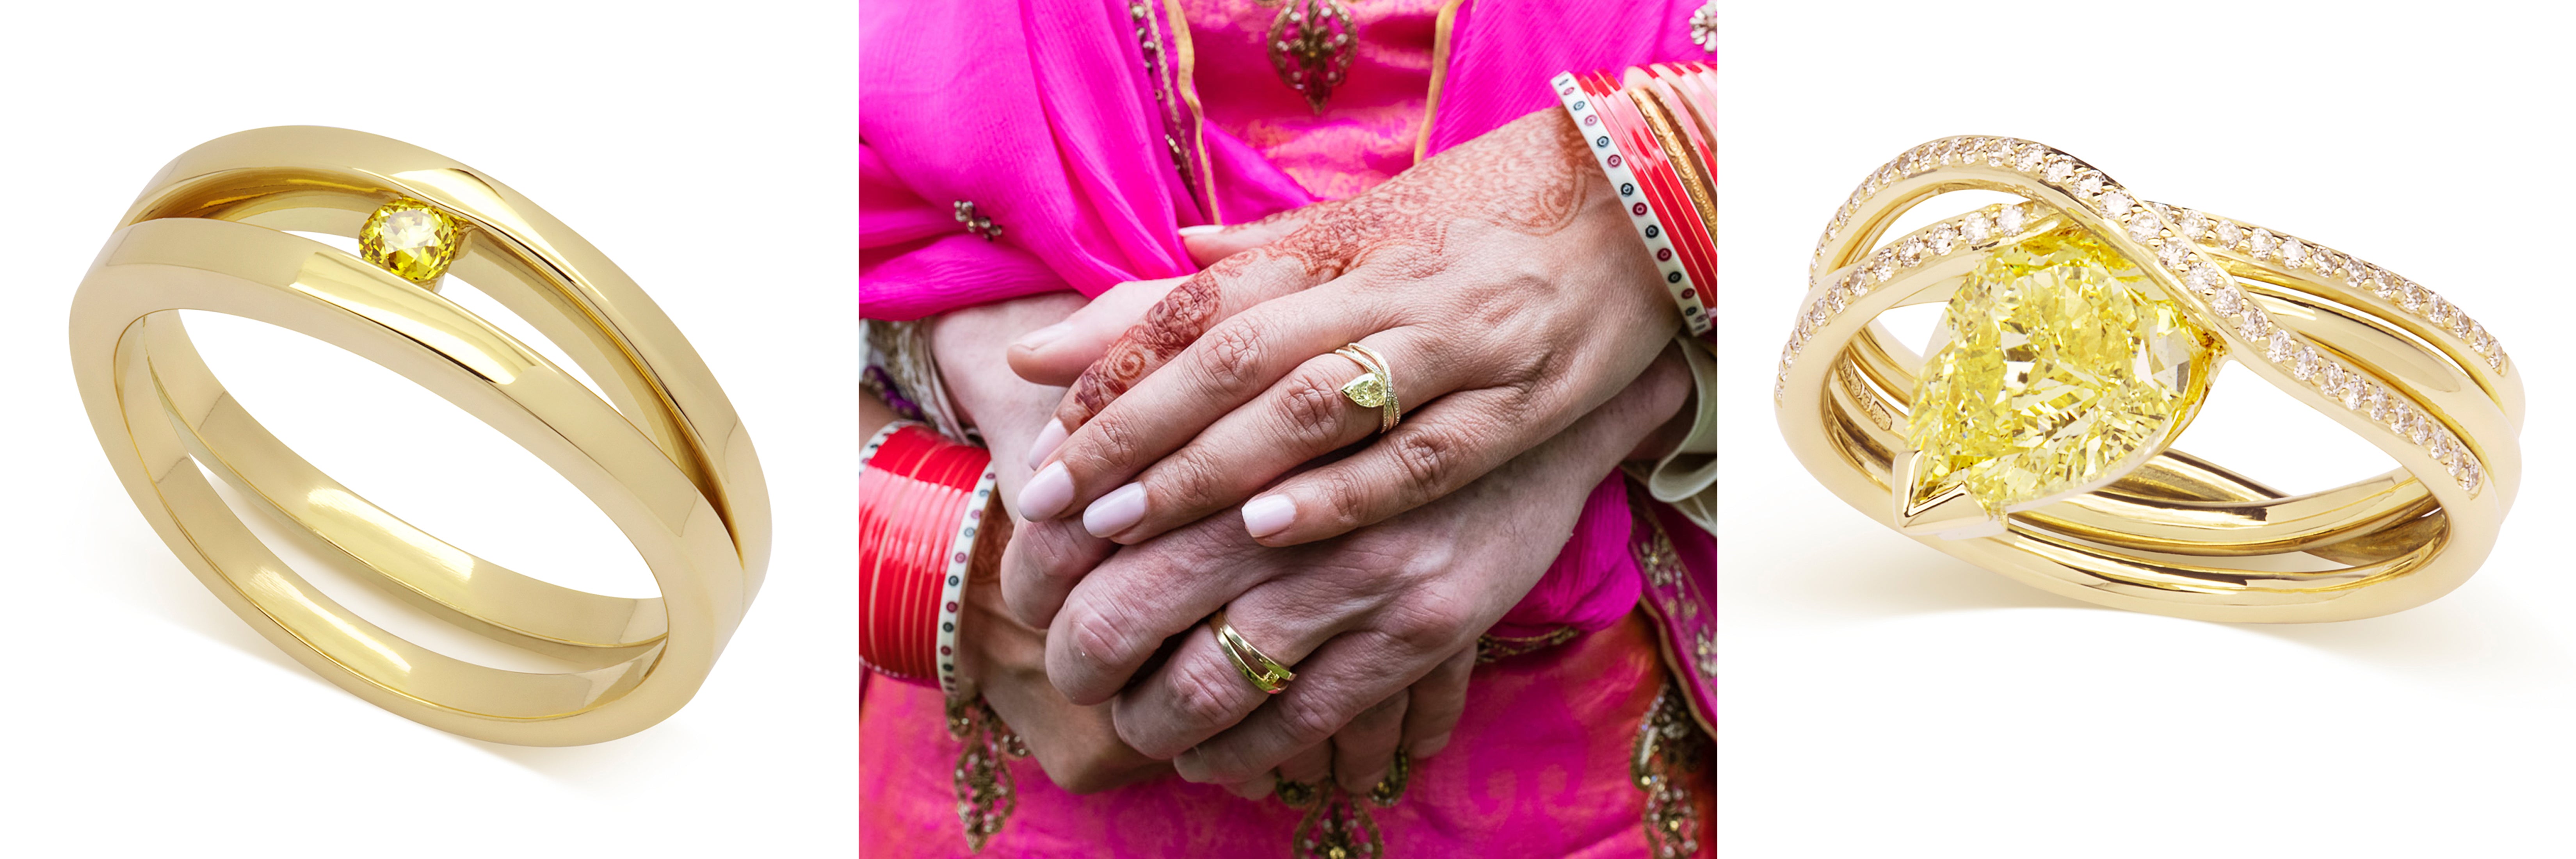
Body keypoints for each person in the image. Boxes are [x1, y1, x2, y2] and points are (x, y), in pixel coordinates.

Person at [861, 2, 1715, 855]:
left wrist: (1640, 244)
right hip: (1017, 764)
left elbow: (1842, 215)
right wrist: (954, 563)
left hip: (1599, 767)